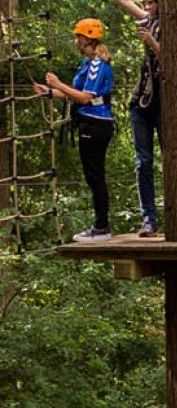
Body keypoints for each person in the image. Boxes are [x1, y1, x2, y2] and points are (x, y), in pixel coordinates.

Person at [91, 0, 162, 237]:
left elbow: (176, 63)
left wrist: (153, 43)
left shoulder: (176, 27)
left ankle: (176, 213)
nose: (146, 8)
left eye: (151, 3)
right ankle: (149, 219)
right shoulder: (147, 21)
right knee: (143, 161)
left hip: (165, 104)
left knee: (172, 159)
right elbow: (124, 3)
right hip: (142, 101)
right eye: (145, 4)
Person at [34, 19, 115, 242]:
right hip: (89, 124)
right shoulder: (87, 64)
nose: (76, 41)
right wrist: (49, 92)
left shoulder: (98, 65)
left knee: (95, 176)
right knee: (92, 176)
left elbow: (84, 98)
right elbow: (74, 93)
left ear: (88, 39)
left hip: (96, 124)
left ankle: (102, 227)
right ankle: (100, 225)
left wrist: (58, 84)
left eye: (79, 37)